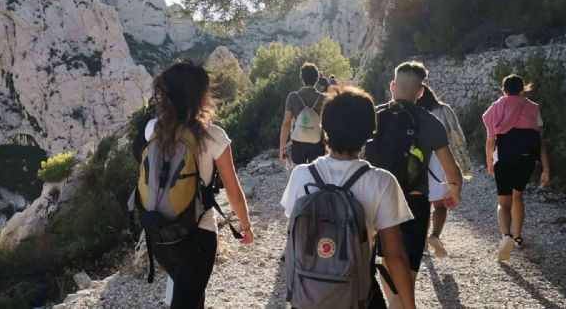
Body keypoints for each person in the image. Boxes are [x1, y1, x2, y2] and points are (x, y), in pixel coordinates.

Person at [281, 86, 416, 309]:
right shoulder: (382, 182)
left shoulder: (301, 175)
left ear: (324, 128)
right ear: (370, 132)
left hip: (307, 296)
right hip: (357, 296)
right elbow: (394, 255)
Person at [136, 60, 254, 309]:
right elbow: (233, 190)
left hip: (159, 235)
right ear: (201, 96)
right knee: (188, 298)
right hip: (196, 237)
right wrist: (245, 225)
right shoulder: (214, 136)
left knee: (190, 297)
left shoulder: (152, 129)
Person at [365, 61, 463, 307]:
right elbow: (453, 171)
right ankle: (401, 302)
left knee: (386, 260)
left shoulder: (373, 117)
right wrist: (454, 190)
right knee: (407, 266)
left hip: (375, 201)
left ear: (392, 86)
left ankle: (395, 302)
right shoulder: (430, 122)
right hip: (414, 202)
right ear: (420, 92)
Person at [482, 74, 550, 262]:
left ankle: (506, 237)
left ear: (503, 89)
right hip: (526, 160)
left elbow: (490, 139)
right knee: (517, 196)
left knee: (504, 202)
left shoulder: (497, 107)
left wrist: (489, 160)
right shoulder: (532, 108)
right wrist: (545, 168)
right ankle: (518, 238)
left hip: (503, 158)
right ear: (522, 89)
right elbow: (540, 141)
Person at [416, 84, 471, 259]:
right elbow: (458, 135)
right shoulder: (444, 110)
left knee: (423, 203)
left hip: (419, 160)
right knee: (440, 205)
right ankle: (435, 235)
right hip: (442, 160)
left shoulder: (413, 112)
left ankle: (422, 242)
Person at [279, 62, 326, 167]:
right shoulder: (323, 98)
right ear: (317, 79)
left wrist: (282, 147)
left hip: (298, 143)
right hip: (317, 143)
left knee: (298, 176)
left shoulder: (293, 97)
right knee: (317, 177)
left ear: (302, 79)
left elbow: (286, 124)